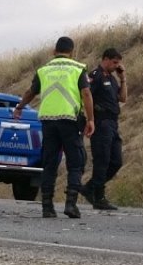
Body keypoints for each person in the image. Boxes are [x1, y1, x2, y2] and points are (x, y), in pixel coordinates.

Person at [12, 36, 94, 219]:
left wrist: (18, 108)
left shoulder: (44, 70)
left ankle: (47, 206)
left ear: (54, 51)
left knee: (49, 163)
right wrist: (90, 119)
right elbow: (86, 93)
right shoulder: (78, 68)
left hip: (48, 122)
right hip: (70, 120)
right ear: (72, 52)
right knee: (76, 162)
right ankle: (71, 204)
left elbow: (30, 92)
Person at [85, 48, 127, 210]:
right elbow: (86, 96)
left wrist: (123, 79)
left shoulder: (112, 78)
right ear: (106, 59)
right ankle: (99, 197)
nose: (117, 66)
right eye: (115, 62)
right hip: (101, 122)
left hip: (113, 123)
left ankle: (90, 187)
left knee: (116, 161)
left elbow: (122, 98)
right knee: (102, 160)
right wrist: (90, 119)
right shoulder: (95, 76)